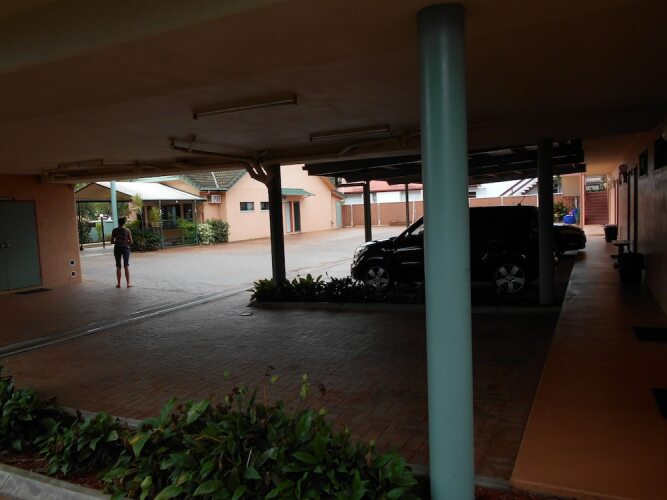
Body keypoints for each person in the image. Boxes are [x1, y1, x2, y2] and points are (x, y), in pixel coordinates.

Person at [110, 217, 133, 288]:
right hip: (125, 248)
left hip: (117, 248)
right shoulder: (127, 230)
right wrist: (126, 242)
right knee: (126, 266)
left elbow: (111, 241)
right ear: (124, 223)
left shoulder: (114, 230)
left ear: (118, 222)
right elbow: (131, 242)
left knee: (118, 265)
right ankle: (128, 284)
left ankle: (118, 284)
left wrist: (117, 241)